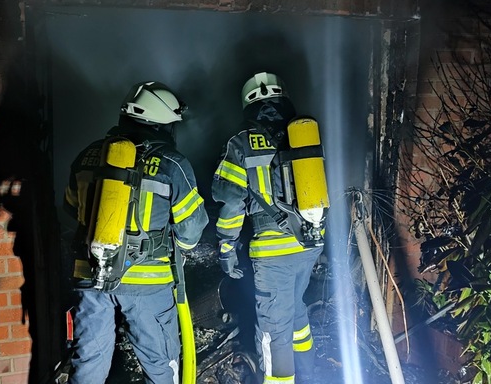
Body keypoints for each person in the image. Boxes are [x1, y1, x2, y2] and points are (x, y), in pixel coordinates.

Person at [63, 81, 209, 384]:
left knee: (88, 361)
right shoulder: (172, 163)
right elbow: (191, 231)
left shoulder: (86, 156)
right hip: (147, 282)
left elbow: (70, 208)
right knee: (161, 363)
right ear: (161, 124)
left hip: (90, 278)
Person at [211, 72, 327, 384]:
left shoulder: (241, 144)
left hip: (273, 252)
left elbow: (231, 203)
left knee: (272, 329)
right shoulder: (304, 135)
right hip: (310, 243)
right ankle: (310, 373)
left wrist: (226, 248)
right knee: (295, 309)